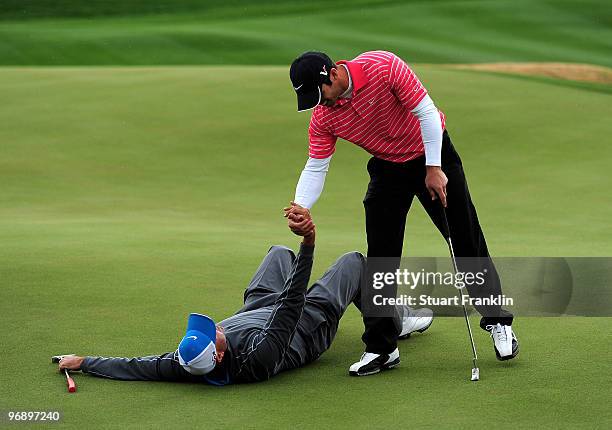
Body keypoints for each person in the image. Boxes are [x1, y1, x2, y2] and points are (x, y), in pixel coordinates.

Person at [285, 50, 518, 377]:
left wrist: (434, 168)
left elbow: (426, 112)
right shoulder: (324, 115)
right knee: (381, 253)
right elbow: (316, 165)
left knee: (464, 238)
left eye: (318, 93)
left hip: (431, 151)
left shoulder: (382, 67)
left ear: (333, 74)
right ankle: (382, 347)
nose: (318, 103)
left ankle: (497, 321)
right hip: (388, 167)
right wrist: (301, 205)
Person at [56, 209, 433, 384]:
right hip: (307, 323)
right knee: (355, 262)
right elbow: (292, 302)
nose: (211, 329)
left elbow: (138, 366)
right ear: (219, 355)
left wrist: (85, 361)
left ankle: (390, 315)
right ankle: (397, 322)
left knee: (276, 253)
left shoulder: (186, 362)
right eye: (211, 336)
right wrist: (309, 243)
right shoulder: (259, 358)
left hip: (258, 308)